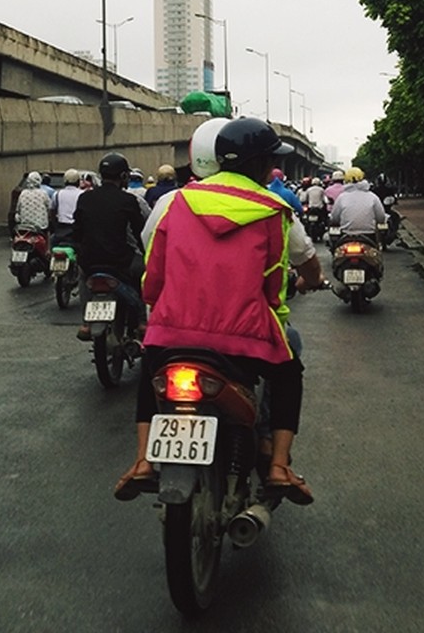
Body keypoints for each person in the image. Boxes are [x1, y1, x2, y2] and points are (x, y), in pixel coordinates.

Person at [116, 118, 325, 505]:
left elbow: (153, 277)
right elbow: (274, 287)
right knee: (288, 373)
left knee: (150, 368)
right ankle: (278, 465)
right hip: (245, 340)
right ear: (264, 166)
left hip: (172, 332)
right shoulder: (274, 211)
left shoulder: (175, 202)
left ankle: (143, 461)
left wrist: (160, 314)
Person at [72, 152, 147, 342]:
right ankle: (141, 321)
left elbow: (77, 232)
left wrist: (81, 252)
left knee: (82, 275)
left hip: (90, 261)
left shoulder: (85, 198)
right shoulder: (128, 200)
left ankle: (86, 323)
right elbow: (140, 232)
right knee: (141, 273)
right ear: (123, 176)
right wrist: (147, 253)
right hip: (119, 261)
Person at [330, 167, 387, 237]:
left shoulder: (341, 198)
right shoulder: (373, 197)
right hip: (369, 235)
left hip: (346, 235)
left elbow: (334, 218)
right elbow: (381, 217)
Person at [51, 168, 84, 244]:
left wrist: (55, 226)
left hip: (60, 230)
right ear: (78, 181)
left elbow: (52, 211)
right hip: (77, 230)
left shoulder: (57, 194)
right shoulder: (82, 194)